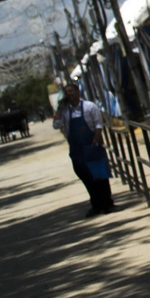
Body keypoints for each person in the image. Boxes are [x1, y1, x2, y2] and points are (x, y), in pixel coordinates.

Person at [54, 82, 116, 217]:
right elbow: (56, 125)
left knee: (100, 176)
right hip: (77, 150)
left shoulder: (90, 106)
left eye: (71, 91)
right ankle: (96, 205)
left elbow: (99, 124)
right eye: (67, 92)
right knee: (86, 178)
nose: (69, 94)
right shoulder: (65, 111)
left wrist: (96, 139)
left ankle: (108, 204)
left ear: (78, 91)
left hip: (92, 146)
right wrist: (59, 108)